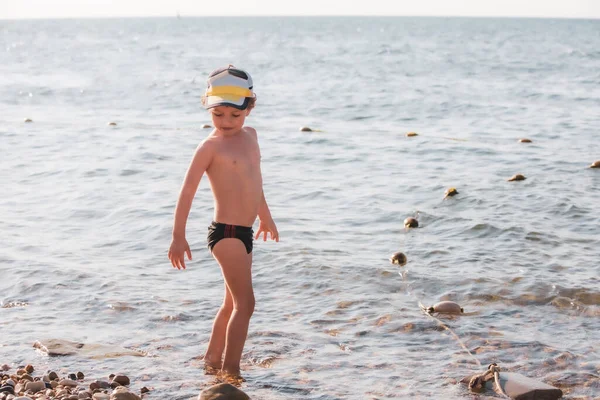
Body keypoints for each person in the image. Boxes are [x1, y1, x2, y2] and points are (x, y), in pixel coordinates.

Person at [168, 65, 279, 380]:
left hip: (244, 233)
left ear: (249, 108)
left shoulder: (252, 137)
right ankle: (231, 371)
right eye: (219, 115)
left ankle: (212, 360)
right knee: (247, 304)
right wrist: (178, 236)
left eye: (235, 115)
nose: (226, 122)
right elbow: (187, 192)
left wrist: (265, 216)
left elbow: (254, 183)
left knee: (231, 303)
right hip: (226, 234)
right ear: (208, 107)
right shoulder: (210, 147)